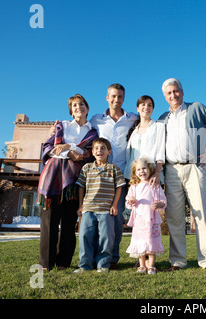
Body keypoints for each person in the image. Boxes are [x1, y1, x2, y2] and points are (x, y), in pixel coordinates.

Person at [158, 78, 206, 274]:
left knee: (201, 215)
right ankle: (177, 261)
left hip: (195, 168)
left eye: (176, 91)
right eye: (169, 93)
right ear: (165, 97)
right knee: (174, 218)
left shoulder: (196, 108)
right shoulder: (163, 118)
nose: (173, 95)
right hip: (171, 170)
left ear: (182, 92)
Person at [38, 94, 98, 271]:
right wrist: (69, 153)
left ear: (87, 108)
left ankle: (63, 262)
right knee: (49, 223)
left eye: (81, 104)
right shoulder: (61, 126)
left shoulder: (93, 132)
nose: (78, 107)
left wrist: (68, 147)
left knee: (69, 223)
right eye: (74, 106)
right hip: (53, 179)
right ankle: (46, 264)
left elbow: (87, 154)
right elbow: (48, 148)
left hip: (75, 181)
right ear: (71, 111)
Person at [89, 83, 139, 268]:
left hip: (122, 176)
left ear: (123, 99)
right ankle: (97, 257)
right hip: (101, 176)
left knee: (116, 217)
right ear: (107, 98)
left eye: (120, 96)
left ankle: (113, 258)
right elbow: (81, 132)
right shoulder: (96, 120)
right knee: (99, 218)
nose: (116, 100)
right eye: (113, 96)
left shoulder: (133, 118)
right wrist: (58, 129)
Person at [74, 138, 126, 272]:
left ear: (109, 151)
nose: (99, 151)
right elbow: (81, 187)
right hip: (88, 208)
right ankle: (85, 265)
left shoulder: (114, 169)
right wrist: (80, 206)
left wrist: (114, 205)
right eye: (96, 148)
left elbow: (119, 187)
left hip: (105, 210)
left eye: (103, 148)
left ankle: (103, 265)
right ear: (92, 152)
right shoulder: (86, 168)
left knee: (106, 238)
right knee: (85, 236)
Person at [125, 158, 166, 274]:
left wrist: (159, 204)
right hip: (139, 221)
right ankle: (142, 265)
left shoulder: (155, 185)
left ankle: (151, 265)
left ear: (150, 169)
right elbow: (128, 202)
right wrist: (131, 201)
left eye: (144, 168)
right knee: (140, 243)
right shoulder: (134, 187)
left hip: (152, 219)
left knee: (151, 242)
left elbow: (163, 200)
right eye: (138, 169)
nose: (141, 171)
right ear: (135, 172)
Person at [124, 95, 165, 186]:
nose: (146, 107)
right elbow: (129, 156)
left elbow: (160, 152)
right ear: (137, 108)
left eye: (149, 105)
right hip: (133, 179)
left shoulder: (158, 127)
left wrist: (157, 173)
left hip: (151, 177)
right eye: (143, 104)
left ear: (152, 108)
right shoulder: (134, 131)